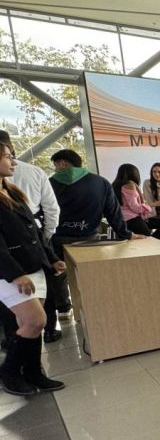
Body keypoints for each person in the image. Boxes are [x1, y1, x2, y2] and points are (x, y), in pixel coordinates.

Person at [45, 149, 143, 342]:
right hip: (89, 239)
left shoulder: (49, 183)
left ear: (63, 163)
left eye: (56, 165)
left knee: (58, 275)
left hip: (58, 238)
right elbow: (113, 212)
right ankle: (95, 312)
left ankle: (64, 310)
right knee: (90, 276)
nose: (55, 170)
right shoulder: (100, 182)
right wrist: (126, 234)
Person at [0, 141, 65, 394]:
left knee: (30, 324)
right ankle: (9, 372)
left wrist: (50, 258)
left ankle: (33, 372)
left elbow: (33, 232)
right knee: (35, 321)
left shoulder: (11, 191)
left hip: (33, 265)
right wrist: (15, 274)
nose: (13, 162)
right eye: (8, 157)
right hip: (11, 272)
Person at [111, 164, 160, 241]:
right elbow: (135, 208)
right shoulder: (130, 184)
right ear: (134, 173)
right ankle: (153, 244)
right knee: (148, 239)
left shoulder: (115, 185)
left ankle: (153, 243)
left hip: (123, 219)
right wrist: (150, 206)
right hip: (131, 219)